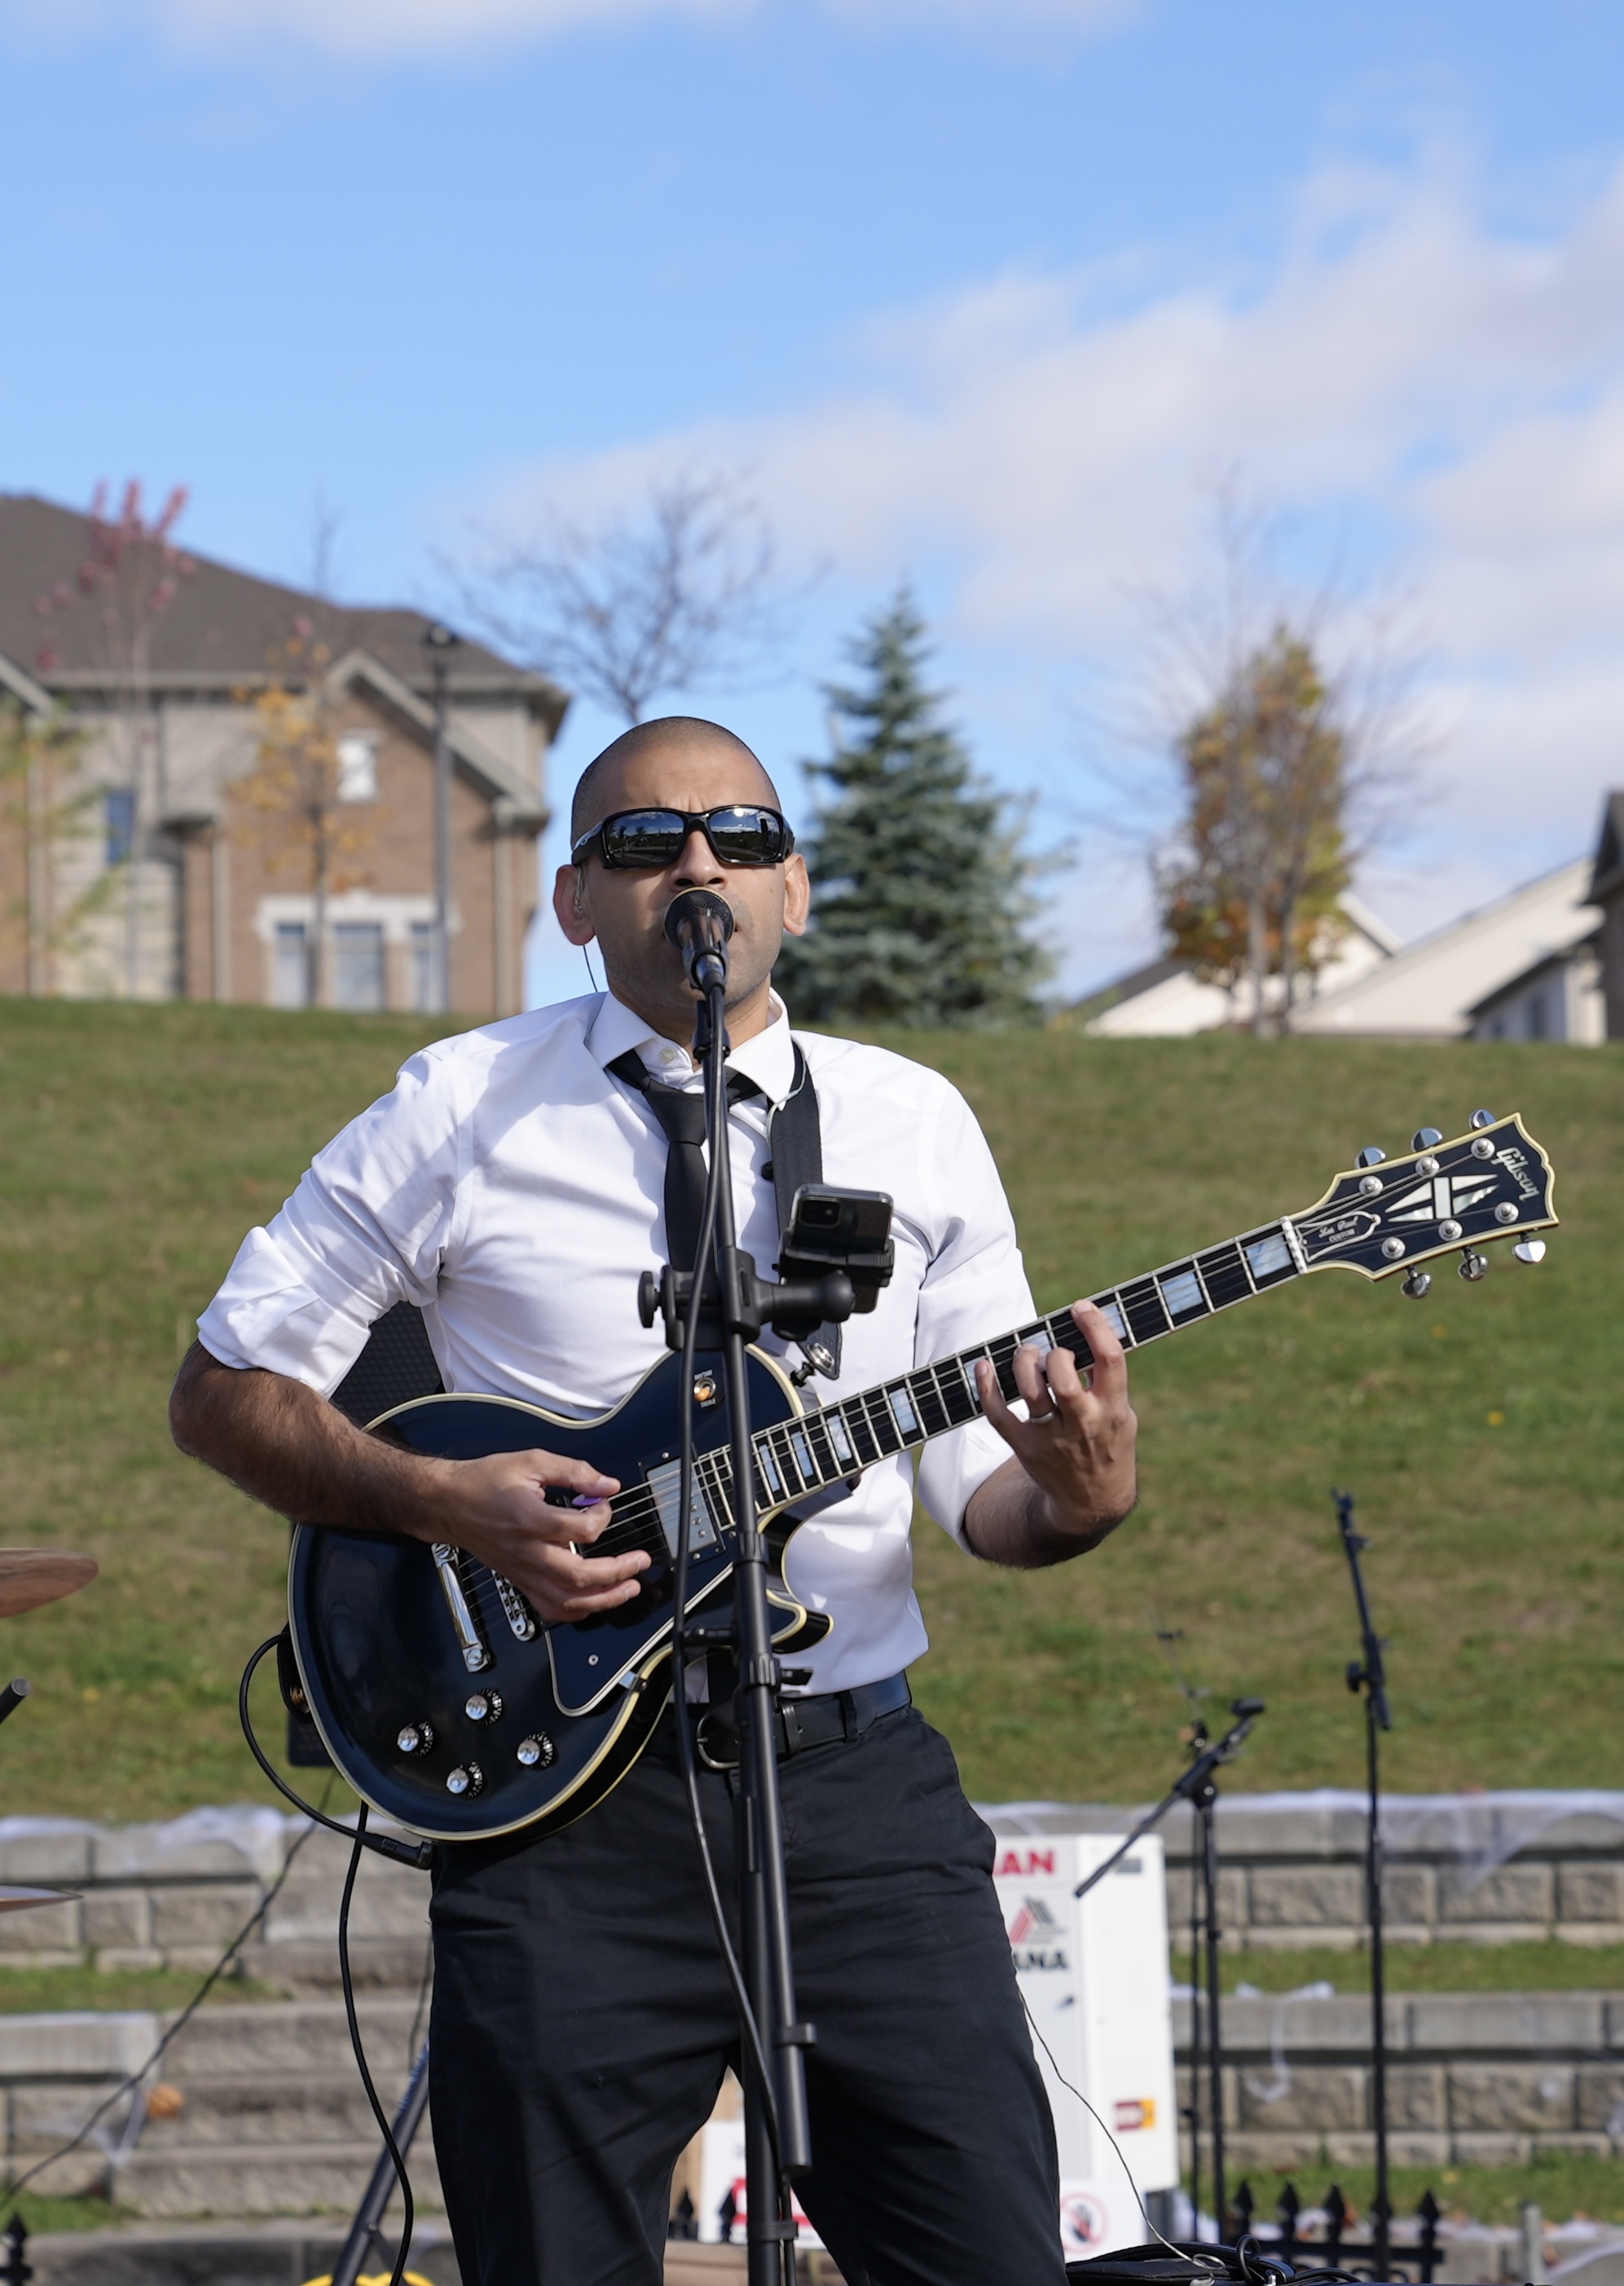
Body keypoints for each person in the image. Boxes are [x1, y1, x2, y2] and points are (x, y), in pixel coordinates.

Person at [169, 715, 1138, 2286]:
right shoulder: (455, 1105)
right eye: (644, 842)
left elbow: (982, 1494)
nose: (699, 867)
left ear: (796, 890)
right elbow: (223, 1390)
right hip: (564, 1813)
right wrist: (440, 1502)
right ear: (574, 900)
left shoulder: (915, 1122)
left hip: (850, 1791)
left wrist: (1080, 1494)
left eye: (742, 838)